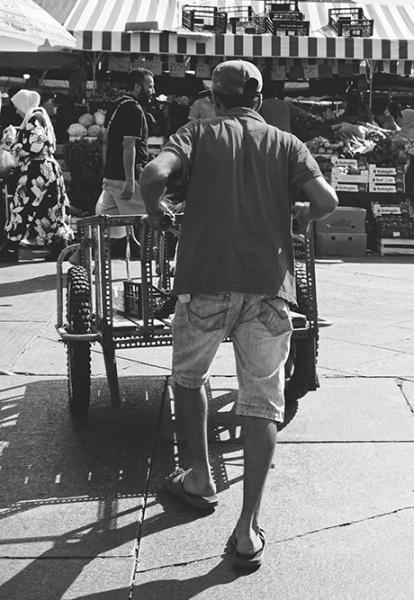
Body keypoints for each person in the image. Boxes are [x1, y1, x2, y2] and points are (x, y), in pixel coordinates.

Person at [139, 60, 338, 570]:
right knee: (261, 402)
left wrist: (157, 211)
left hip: (204, 280)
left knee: (189, 379)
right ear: (259, 93)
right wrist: (302, 214)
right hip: (269, 287)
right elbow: (327, 200)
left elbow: (153, 173)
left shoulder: (195, 133)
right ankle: (247, 528)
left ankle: (200, 478)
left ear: (215, 94)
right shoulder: (286, 142)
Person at [1, 90, 72, 263]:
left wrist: (12, 143)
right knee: (52, 208)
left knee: (21, 205)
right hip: (47, 168)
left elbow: (35, 144)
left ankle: (10, 247)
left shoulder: (35, 118)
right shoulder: (39, 117)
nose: (17, 111)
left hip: (37, 170)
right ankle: (61, 246)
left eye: (18, 106)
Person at [95, 68, 155, 251]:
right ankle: (162, 264)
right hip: (126, 179)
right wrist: (129, 181)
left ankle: (80, 258)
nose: (153, 91)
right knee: (159, 215)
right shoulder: (134, 109)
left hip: (112, 178)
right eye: (150, 87)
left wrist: (107, 171)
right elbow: (129, 146)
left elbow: (105, 140)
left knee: (103, 225)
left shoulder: (116, 104)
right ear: (138, 87)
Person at [397, 108, 414, 220]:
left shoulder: (399, 133)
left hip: (401, 169)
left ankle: (403, 219)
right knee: (412, 197)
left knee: (403, 193)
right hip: (413, 169)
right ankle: (411, 219)